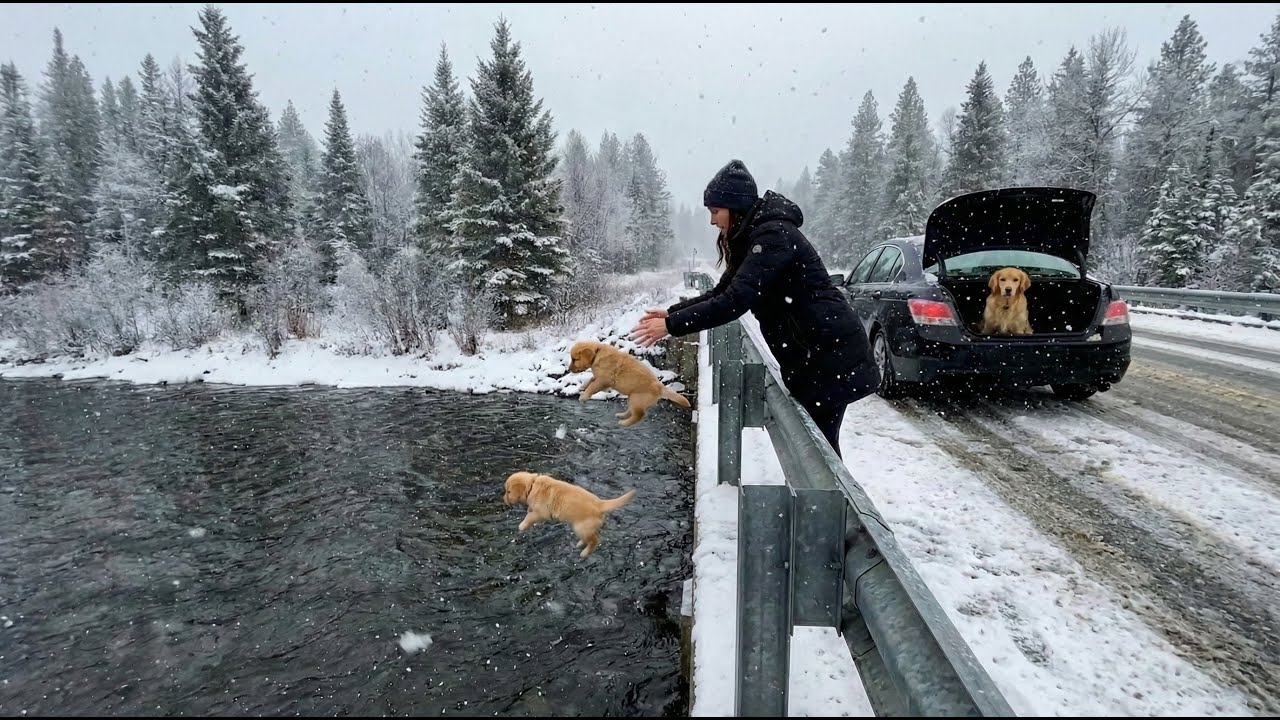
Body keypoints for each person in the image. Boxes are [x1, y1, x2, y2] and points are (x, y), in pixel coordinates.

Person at [630, 159, 879, 458]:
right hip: (817, 357)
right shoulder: (757, 237)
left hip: (830, 358)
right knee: (818, 453)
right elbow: (723, 291)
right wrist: (672, 313)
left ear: (734, 208)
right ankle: (827, 501)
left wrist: (672, 327)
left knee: (818, 457)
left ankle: (832, 504)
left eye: (715, 212)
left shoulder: (773, 237)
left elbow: (735, 302)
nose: (712, 221)